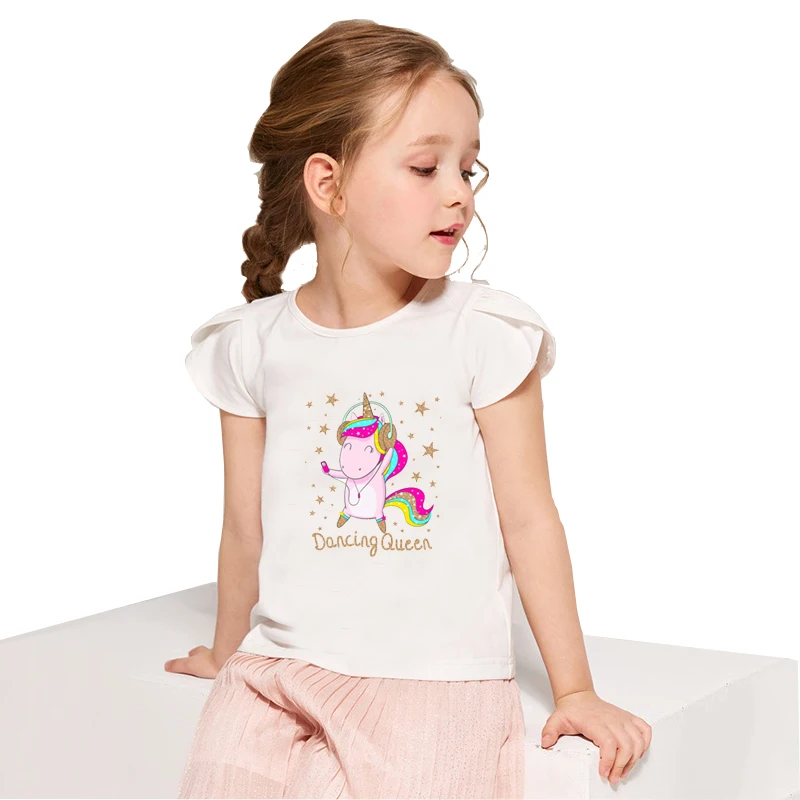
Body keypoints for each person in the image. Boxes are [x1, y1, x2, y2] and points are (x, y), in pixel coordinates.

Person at [166, 18, 651, 799]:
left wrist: (576, 690)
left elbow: (530, 519)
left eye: (468, 167)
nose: (459, 192)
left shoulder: (482, 333)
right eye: (426, 167)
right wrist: (228, 652)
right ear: (328, 185)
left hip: (431, 684)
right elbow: (243, 526)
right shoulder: (250, 343)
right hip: (272, 675)